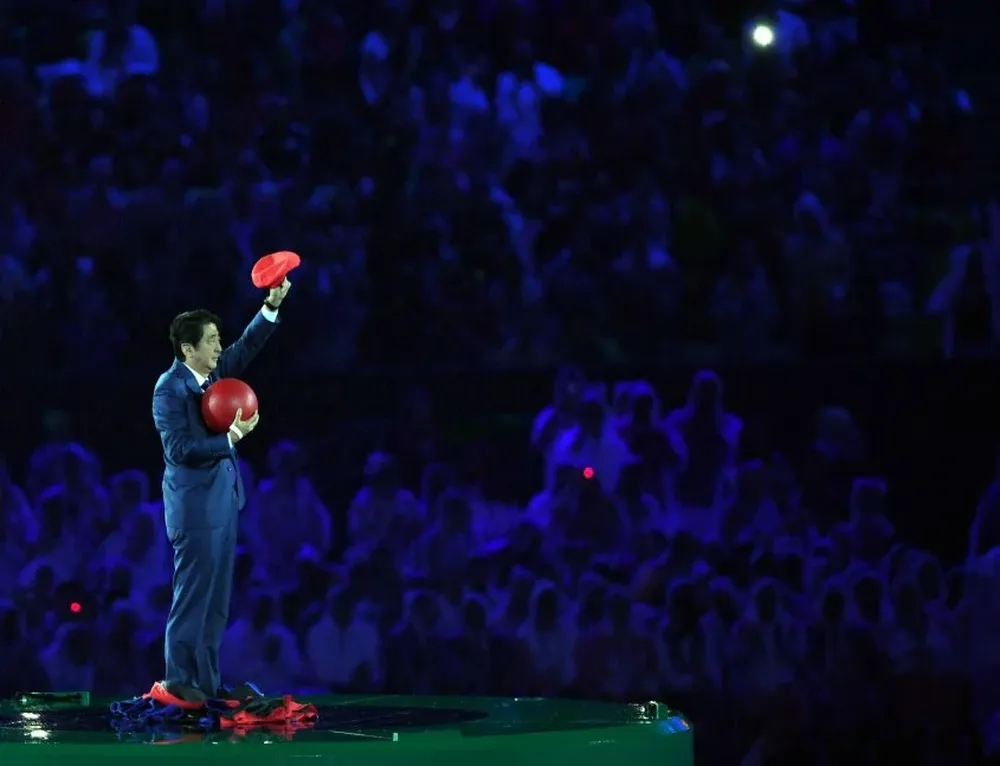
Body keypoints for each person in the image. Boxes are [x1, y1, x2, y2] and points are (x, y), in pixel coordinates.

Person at [151, 277, 291, 700]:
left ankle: (206, 684)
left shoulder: (212, 378)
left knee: (216, 601)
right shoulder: (169, 388)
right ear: (187, 349)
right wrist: (230, 438)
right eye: (211, 341)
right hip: (194, 511)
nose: (218, 348)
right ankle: (178, 680)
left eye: (217, 340)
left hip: (224, 504)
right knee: (192, 596)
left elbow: (246, 347)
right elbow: (178, 449)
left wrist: (270, 305)